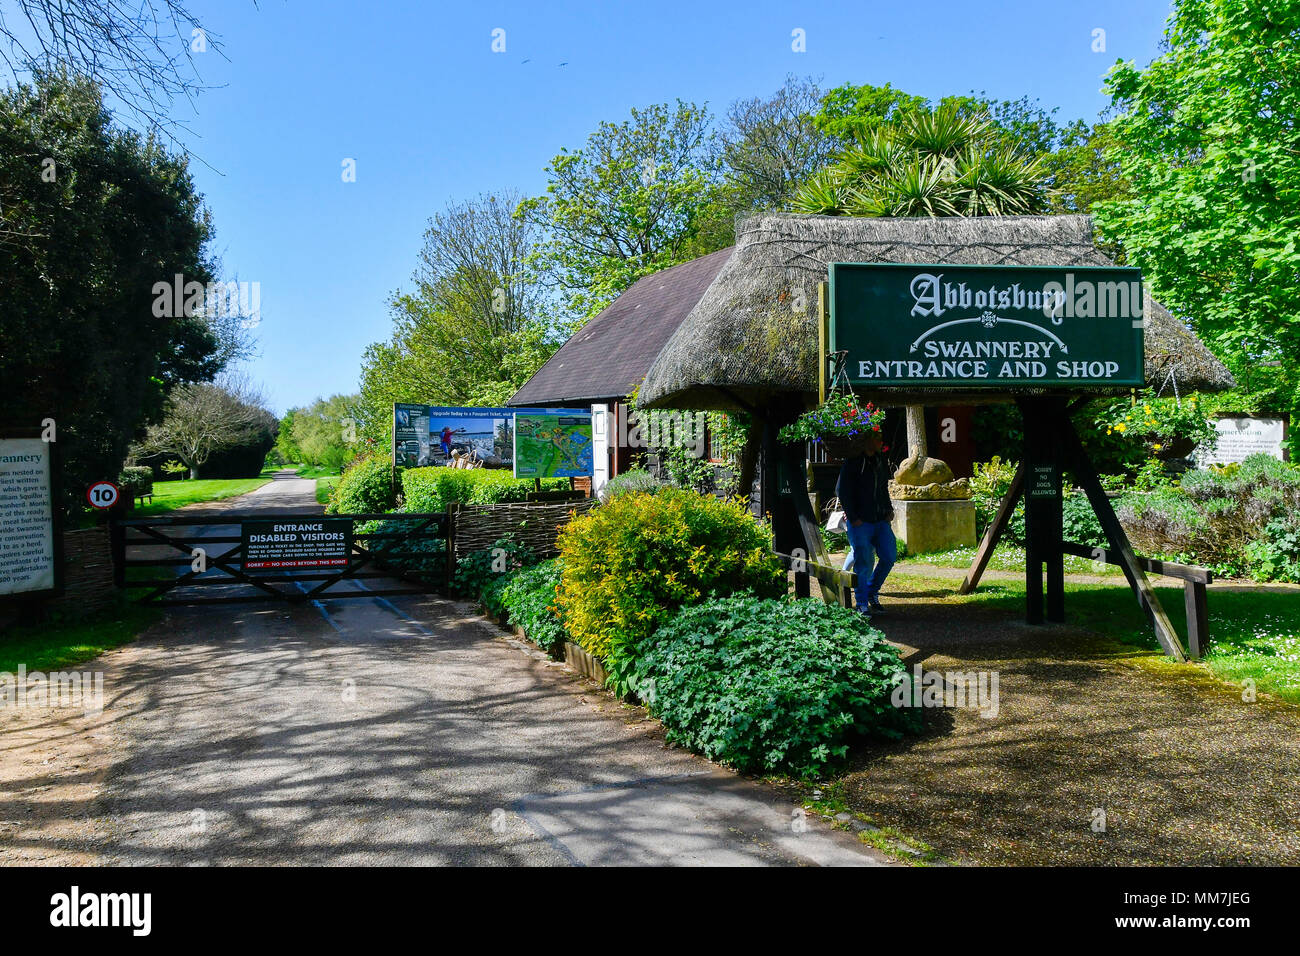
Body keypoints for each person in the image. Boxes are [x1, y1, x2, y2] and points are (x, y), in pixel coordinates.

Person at [835, 430, 896, 616]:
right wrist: (854, 518)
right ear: (867, 440)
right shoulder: (853, 462)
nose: (880, 442)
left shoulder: (879, 460)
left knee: (889, 556)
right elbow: (842, 490)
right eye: (877, 438)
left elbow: (882, 488)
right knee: (863, 563)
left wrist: (888, 509)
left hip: (880, 520)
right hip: (861, 522)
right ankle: (862, 603)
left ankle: (871, 591)